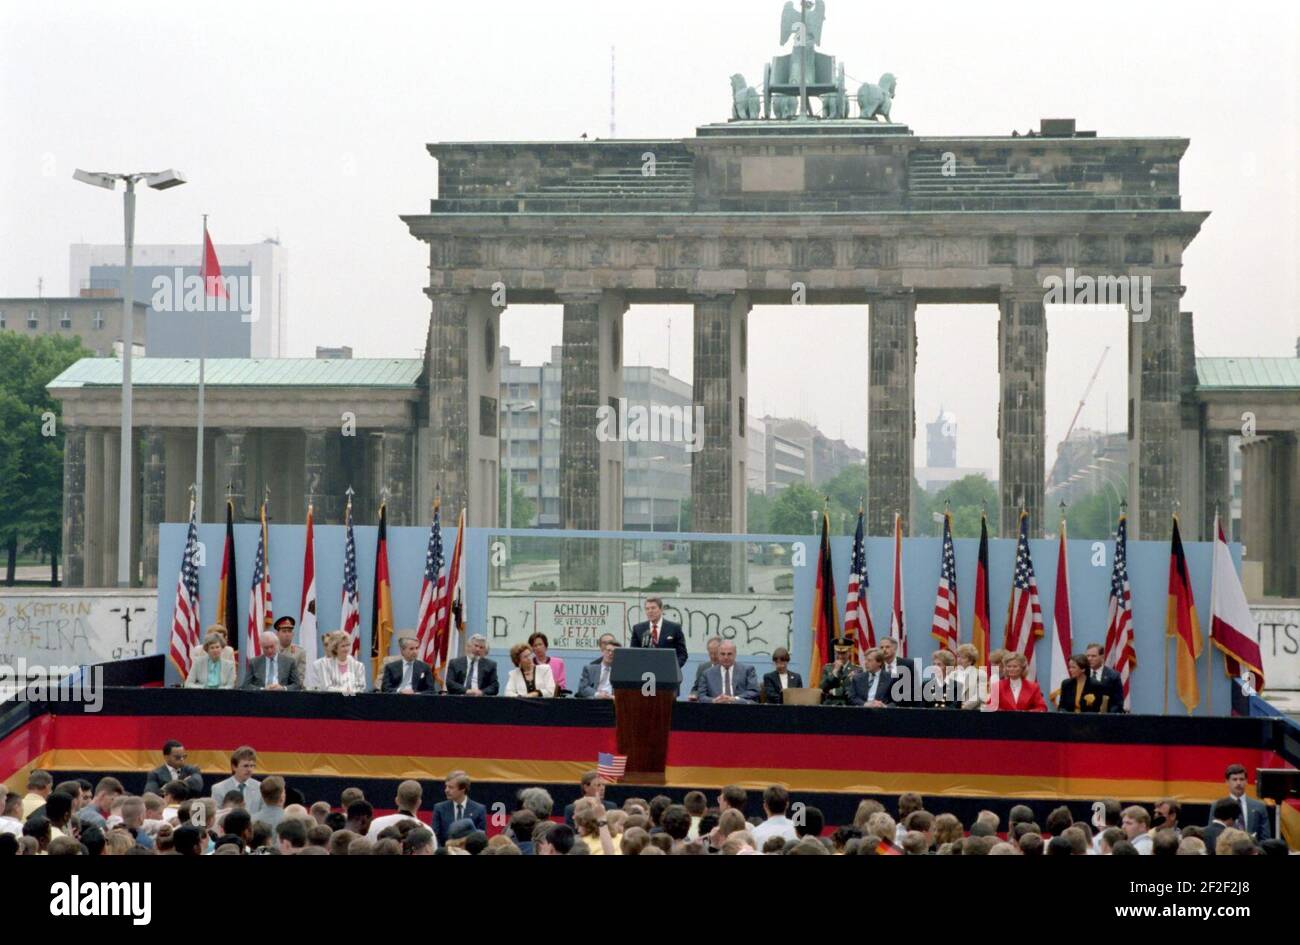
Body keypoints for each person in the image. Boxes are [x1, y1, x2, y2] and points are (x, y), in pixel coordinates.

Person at [1209, 763, 1272, 841]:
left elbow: (1265, 839)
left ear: (1246, 781)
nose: (1238, 783)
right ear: (1227, 782)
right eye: (1234, 779)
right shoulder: (1217, 806)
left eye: (1241, 779)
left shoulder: (1259, 806)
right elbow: (1212, 834)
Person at [629, 596, 688, 667]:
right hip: (644, 673)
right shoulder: (638, 629)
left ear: (661, 609)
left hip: (668, 672)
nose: (650, 611)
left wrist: (673, 668)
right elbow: (633, 653)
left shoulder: (674, 628)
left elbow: (682, 654)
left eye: (653, 608)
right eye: (647, 609)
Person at [432, 771, 485, 846]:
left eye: (451, 787)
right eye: (446, 786)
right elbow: (435, 837)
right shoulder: (439, 809)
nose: (446, 790)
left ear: (463, 789)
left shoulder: (479, 810)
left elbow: (481, 840)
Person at [210, 746, 263, 817]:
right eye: (246, 766)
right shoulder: (218, 789)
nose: (249, 769)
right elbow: (215, 816)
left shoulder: (260, 787)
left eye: (252, 766)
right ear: (234, 767)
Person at [878, 636, 919, 706]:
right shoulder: (877, 666)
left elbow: (913, 689)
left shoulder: (908, 664)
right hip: (881, 708)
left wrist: (893, 705)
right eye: (881, 647)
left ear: (895, 648)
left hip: (903, 707)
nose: (884, 650)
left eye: (887, 647)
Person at [1083, 643, 1125, 712]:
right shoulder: (1082, 674)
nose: (1089, 659)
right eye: (1087, 656)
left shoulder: (1113, 676)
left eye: (1093, 656)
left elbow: (1117, 703)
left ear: (1102, 657)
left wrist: (1106, 716)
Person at [274, 615, 308, 683]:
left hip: (292, 690)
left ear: (293, 634)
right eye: (284, 631)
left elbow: (300, 678)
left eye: (289, 631)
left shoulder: (300, 652)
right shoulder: (271, 650)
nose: (287, 634)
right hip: (272, 689)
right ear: (277, 634)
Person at [689, 636, 723, 701]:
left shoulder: (729, 667)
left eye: (715, 653)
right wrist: (694, 695)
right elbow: (696, 689)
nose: (713, 656)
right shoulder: (703, 667)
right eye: (710, 653)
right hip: (707, 704)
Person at [953, 643, 984, 709]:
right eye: (958, 656)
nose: (959, 660)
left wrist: (963, 707)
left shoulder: (980, 674)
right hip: (954, 712)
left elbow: (980, 696)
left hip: (972, 712)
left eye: (963, 657)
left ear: (970, 660)